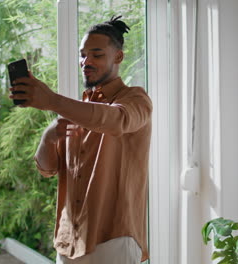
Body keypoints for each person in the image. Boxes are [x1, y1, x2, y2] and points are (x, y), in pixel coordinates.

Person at [9, 16, 152, 264]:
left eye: (96, 55)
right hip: (68, 240)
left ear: (118, 57)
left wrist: (52, 101)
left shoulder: (136, 99)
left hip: (113, 239)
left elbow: (116, 120)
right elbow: (47, 169)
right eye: (82, 55)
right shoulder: (77, 109)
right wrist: (48, 137)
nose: (86, 62)